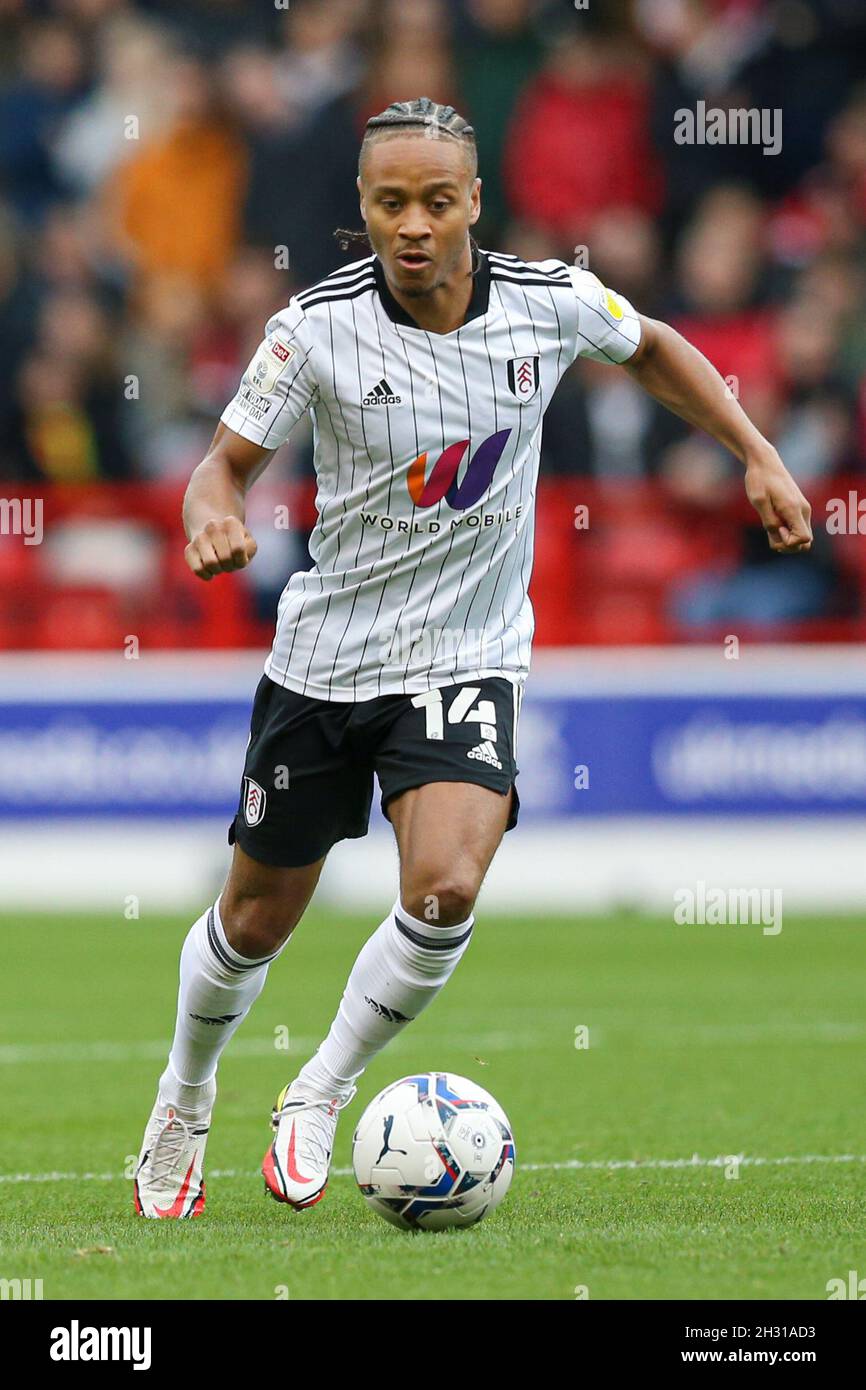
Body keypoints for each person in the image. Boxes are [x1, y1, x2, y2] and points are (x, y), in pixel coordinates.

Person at [134, 97, 812, 1218]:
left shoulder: (549, 303)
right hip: (327, 657)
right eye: (389, 201)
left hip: (466, 651)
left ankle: (317, 1091)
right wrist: (212, 514)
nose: (412, 224)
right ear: (362, 207)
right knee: (254, 919)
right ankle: (185, 1093)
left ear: (473, 203)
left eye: (435, 202)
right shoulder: (314, 327)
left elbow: (650, 346)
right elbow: (221, 462)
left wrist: (755, 453)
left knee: (444, 887)